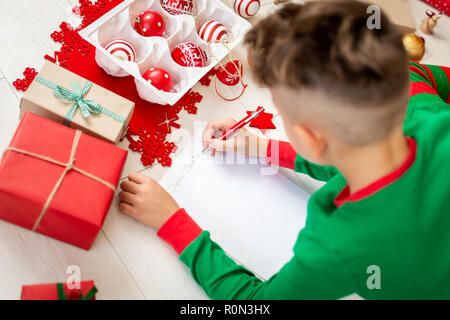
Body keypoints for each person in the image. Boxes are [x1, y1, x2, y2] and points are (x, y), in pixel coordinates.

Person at [119, 0, 450, 299]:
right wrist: (264, 148)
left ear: (310, 135)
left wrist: (171, 220)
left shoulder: (340, 244)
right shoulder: (413, 86)